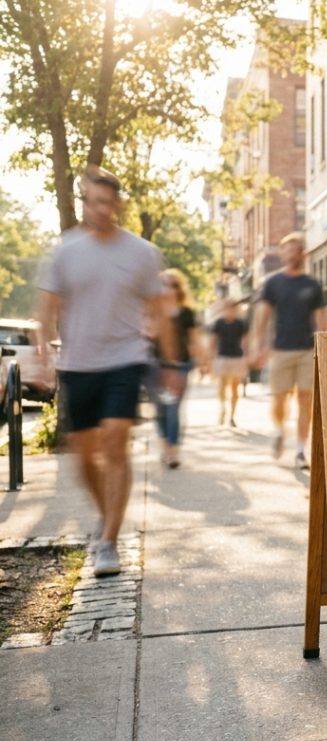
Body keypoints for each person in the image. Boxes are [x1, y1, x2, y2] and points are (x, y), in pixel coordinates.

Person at [35, 166, 181, 576]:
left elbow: (160, 313)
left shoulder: (141, 253)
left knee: (116, 443)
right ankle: (106, 515)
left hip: (124, 360)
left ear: (118, 204)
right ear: (85, 203)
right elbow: (46, 308)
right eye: (92, 202)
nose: (99, 209)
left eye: (106, 202)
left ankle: (109, 542)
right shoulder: (66, 250)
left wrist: (170, 363)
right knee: (83, 458)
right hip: (78, 364)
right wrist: (43, 354)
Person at [253, 233, 327, 470]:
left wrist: (326, 349)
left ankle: (300, 450)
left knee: (306, 401)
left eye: (295, 249)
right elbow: (263, 316)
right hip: (280, 350)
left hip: (307, 351)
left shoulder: (312, 285)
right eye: (287, 250)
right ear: (282, 254)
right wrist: (258, 346)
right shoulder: (273, 283)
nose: (291, 254)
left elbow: (322, 320)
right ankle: (278, 429)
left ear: (302, 253)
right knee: (278, 399)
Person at [152, 269, 202, 468]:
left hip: (181, 366)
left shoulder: (186, 313)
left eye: (173, 285)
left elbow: (194, 340)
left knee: (173, 409)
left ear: (179, 289)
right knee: (160, 410)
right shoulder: (152, 311)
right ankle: (165, 446)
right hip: (156, 367)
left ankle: (173, 451)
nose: (168, 289)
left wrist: (203, 361)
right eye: (163, 284)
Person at [210, 299, 249, 427]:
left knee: (235, 388)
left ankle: (232, 416)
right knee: (222, 386)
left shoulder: (241, 324)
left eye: (233, 307)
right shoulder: (219, 323)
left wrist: (246, 357)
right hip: (222, 357)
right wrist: (211, 357)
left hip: (237, 358)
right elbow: (213, 340)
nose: (231, 310)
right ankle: (223, 408)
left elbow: (245, 341)